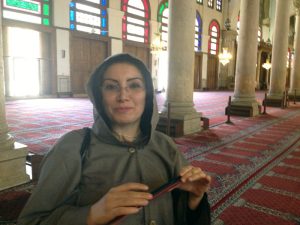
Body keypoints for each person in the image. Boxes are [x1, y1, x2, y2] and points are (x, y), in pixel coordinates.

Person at [18, 53, 211, 225]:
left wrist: (194, 199)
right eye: (111, 87)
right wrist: (92, 214)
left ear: (148, 95)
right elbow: (32, 220)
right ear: (99, 96)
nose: (123, 96)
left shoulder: (165, 145)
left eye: (134, 85)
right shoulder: (73, 147)